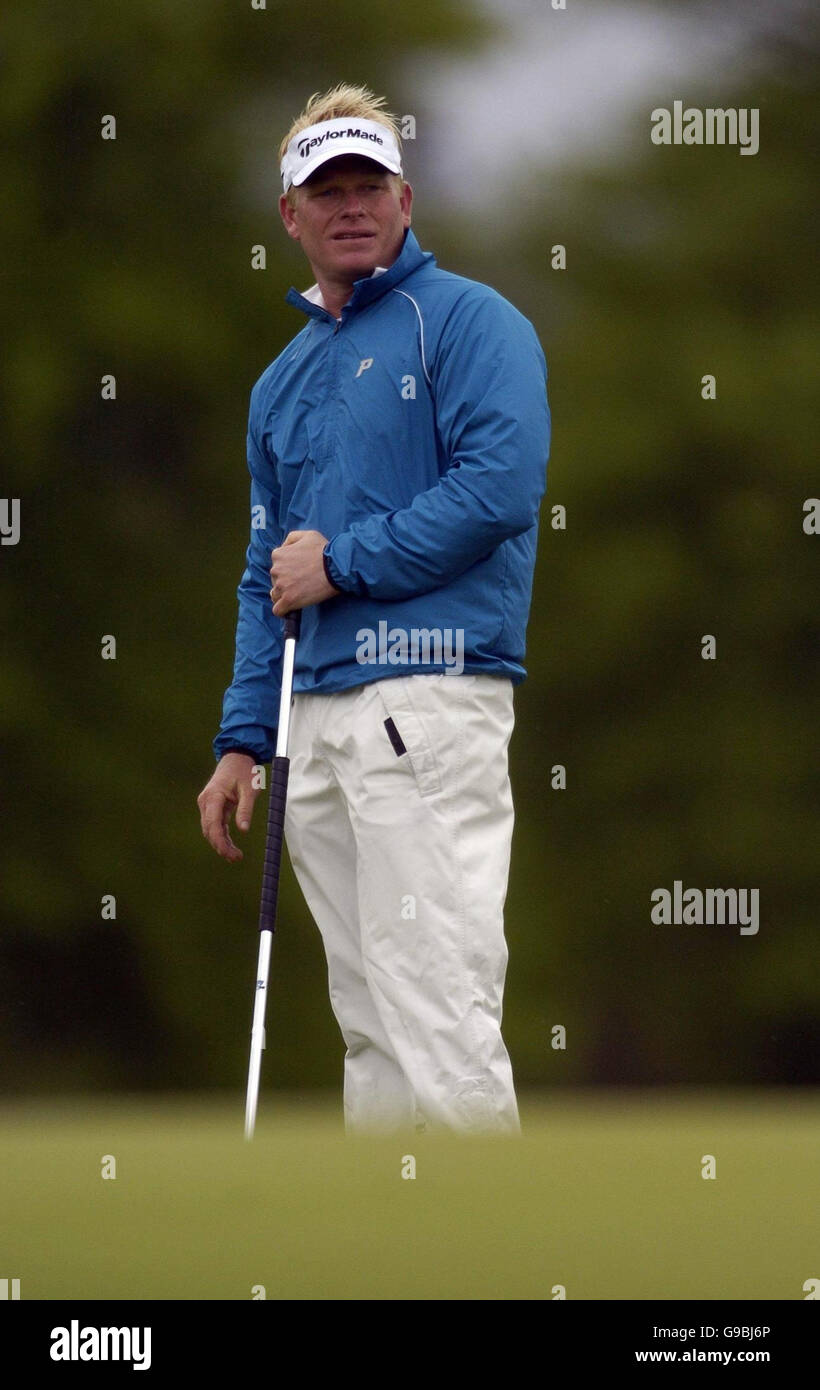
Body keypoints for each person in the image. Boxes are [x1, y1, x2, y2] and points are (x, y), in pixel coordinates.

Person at [197, 84, 550, 1135]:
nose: (348, 206)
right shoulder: (281, 381)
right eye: (325, 191)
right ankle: (397, 1262)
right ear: (289, 216)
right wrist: (241, 736)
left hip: (429, 694)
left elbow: (499, 488)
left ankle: (492, 1264)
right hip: (313, 722)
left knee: (434, 994)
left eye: (368, 186)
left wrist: (343, 563)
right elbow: (266, 572)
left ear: (405, 198)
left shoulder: (470, 321)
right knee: (366, 1015)